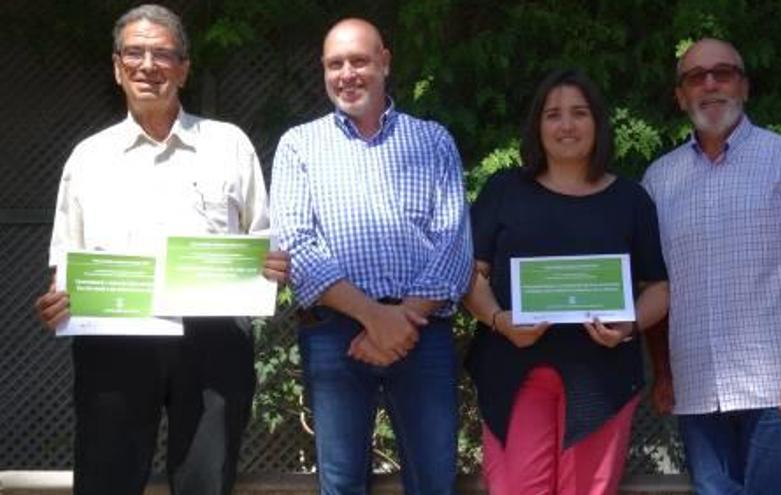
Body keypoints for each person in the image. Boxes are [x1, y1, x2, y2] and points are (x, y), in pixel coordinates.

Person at [33, 5, 288, 494]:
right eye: (134, 52)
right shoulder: (87, 157)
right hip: (112, 342)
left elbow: (263, 244)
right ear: (116, 67)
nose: (147, 64)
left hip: (213, 343)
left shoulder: (228, 144)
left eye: (162, 53)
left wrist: (271, 267)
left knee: (206, 484)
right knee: (106, 482)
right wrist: (57, 301)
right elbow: (65, 266)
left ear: (184, 68)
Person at [642, 38, 781, 494]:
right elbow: (654, 284)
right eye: (696, 77)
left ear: (744, 85)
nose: (711, 84)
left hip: (777, 387)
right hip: (696, 387)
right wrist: (662, 370)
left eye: (724, 72)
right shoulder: (659, 178)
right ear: (681, 95)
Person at [270, 18, 472, 494]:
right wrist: (375, 318)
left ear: (384, 62)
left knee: (435, 482)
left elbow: (455, 245)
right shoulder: (299, 145)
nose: (347, 74)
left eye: (358, 60)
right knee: (341, 485)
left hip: (421, 330)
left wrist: (400, 319)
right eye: (334, 64)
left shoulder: (433, 140)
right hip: (334, 332)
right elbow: (297, 244)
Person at [463, 69, 670, 495]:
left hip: (601, 375)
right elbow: (470, 276)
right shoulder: (504, 191)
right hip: (515, 371)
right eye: (553, 114)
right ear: (537, 126)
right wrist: (501, 320)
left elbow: (659, 288)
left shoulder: (630, 200)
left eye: (579, 113)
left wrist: (628, 325)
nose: (566, 125)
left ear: (597, 124)